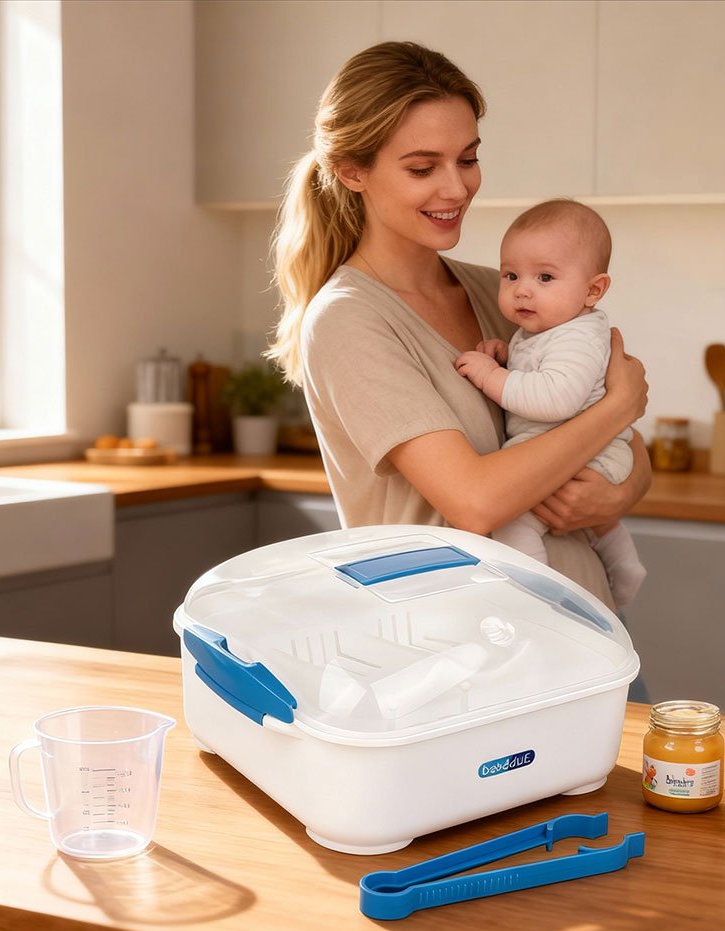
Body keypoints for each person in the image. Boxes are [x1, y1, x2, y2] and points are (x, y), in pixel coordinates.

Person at [266, 40, 650, 614]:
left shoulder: (508, 294)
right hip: (454, 645)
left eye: (467, 159)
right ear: (353, 171)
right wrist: (619, 406)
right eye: (423, 168)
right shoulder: (348, 319)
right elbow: (474, 502)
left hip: (582, 631)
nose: (456, 188)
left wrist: (613, 497)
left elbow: (631, 453)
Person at [454, 199, 647, 607]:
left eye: (545, 277)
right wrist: (507, 356)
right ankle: (626, 564)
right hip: (595, 450)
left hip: (589, 454)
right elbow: (541, 366)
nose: (522, 289)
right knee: (597, 523)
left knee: (514, 525)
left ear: (594, 290)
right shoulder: (552, 328)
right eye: (511, 275)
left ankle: (537, 600)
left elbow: (555, 398)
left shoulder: (578, 336)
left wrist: (491, 377)